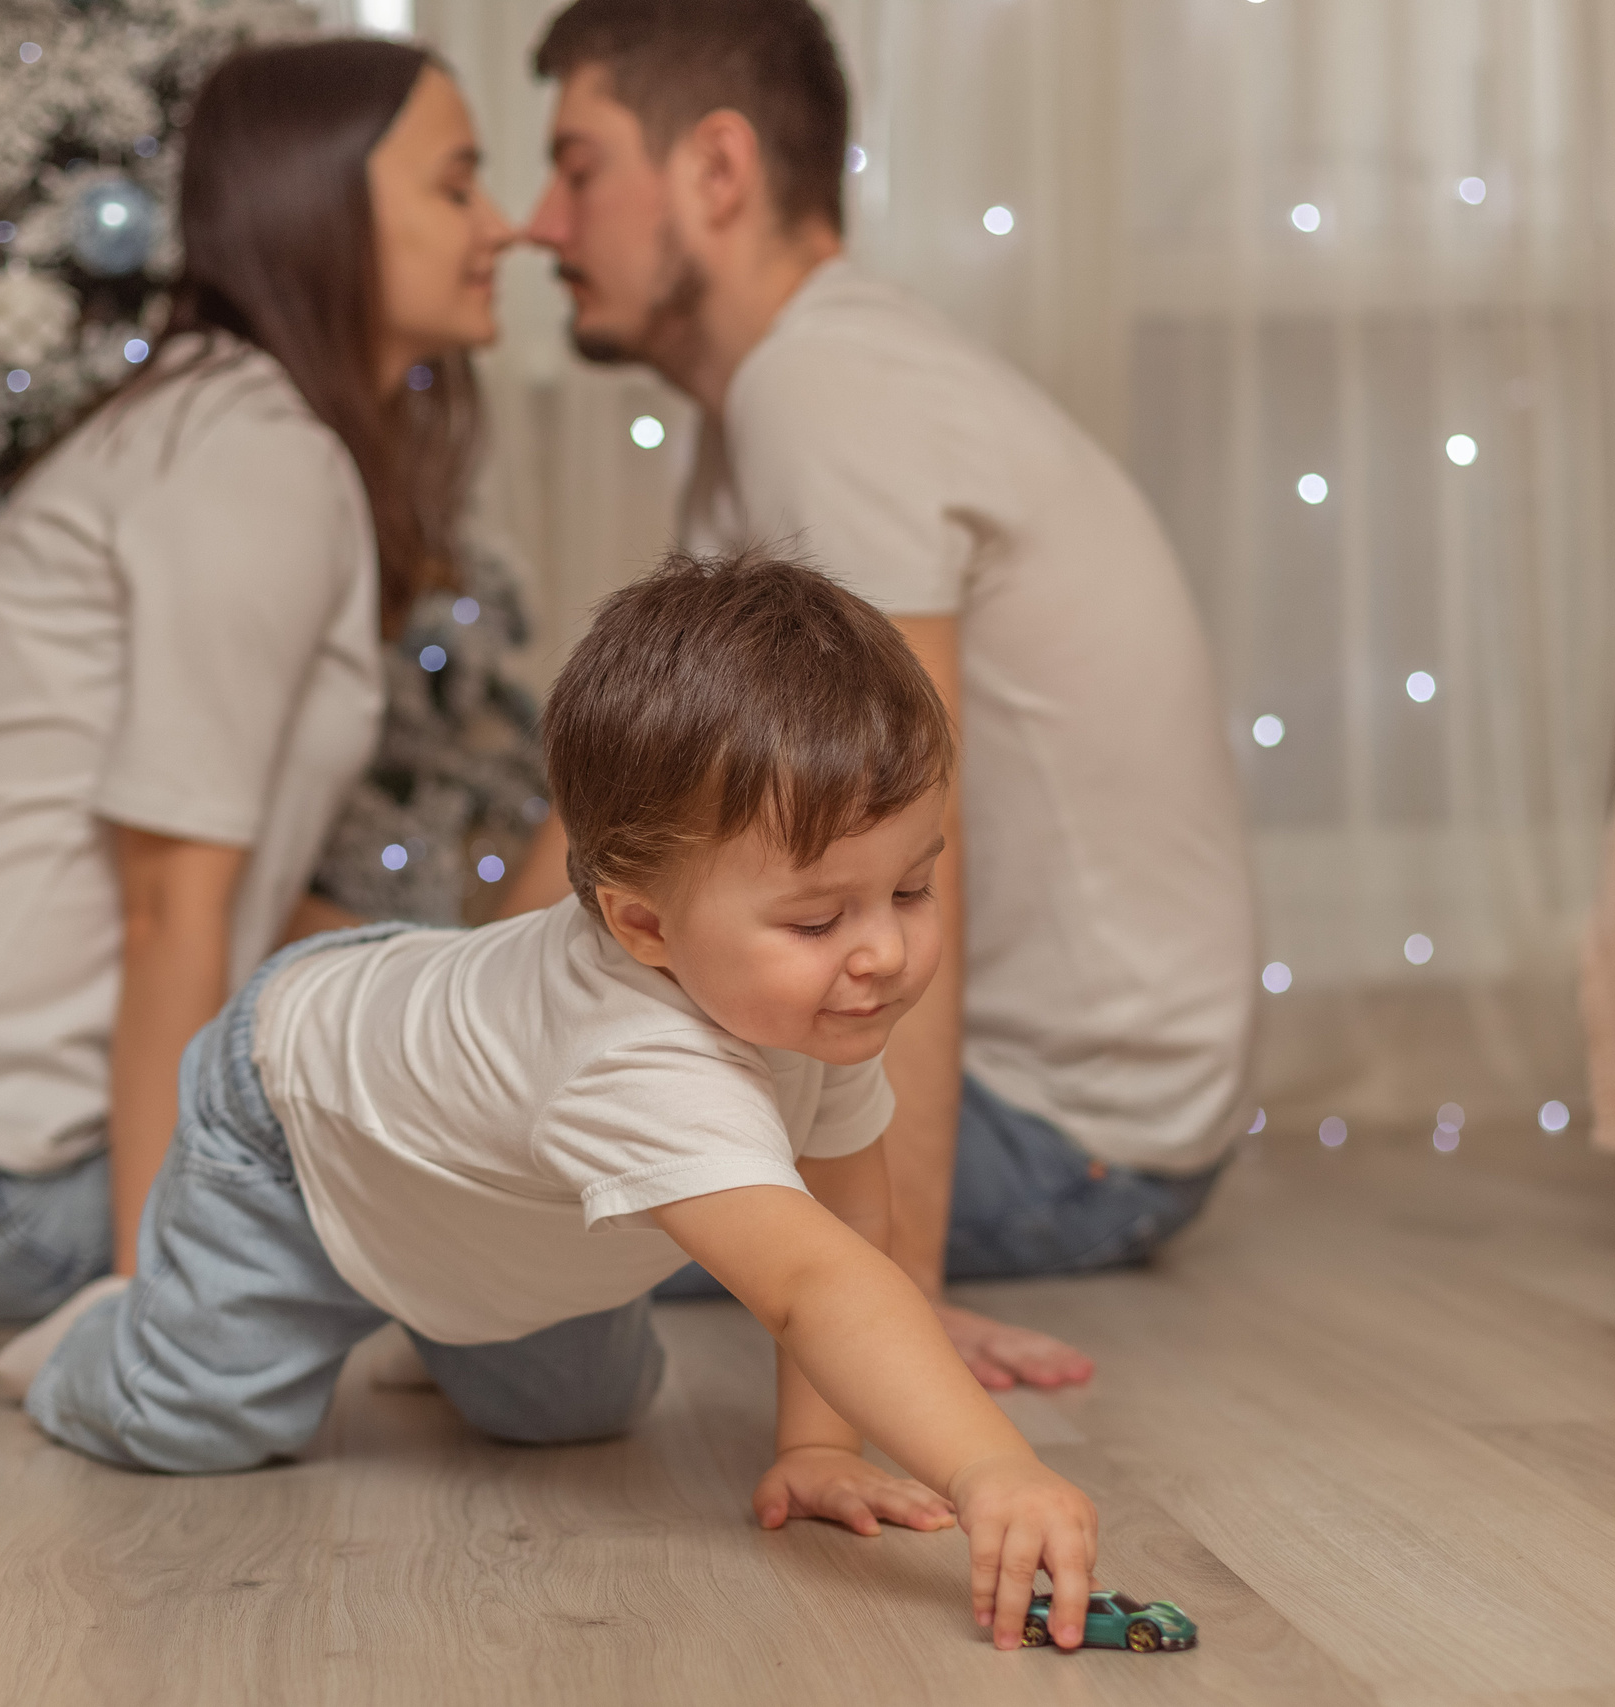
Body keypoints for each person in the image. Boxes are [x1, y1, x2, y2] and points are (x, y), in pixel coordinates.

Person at [3, 553, 1105, 1652]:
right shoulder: (630, 1058)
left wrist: (819, 1447)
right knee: (199, 1423)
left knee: (576, 1418)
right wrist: (987, 1462)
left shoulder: (815, 1001)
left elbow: (845, 1222)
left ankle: (418, 1311)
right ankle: (99, 1339)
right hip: (299, 1122)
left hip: (474, 1190)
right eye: (818, 920)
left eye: (912, 888)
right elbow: (812, 1287)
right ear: (644, 928)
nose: (881, 951)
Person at [520, 0, 1259, 1389]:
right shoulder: (786, 392)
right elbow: (627, 822)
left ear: (717, 171)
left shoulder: (827, 391)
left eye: (577, 165)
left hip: (1062, 1134)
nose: (541, 225)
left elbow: (902, 850)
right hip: (1057, 1108)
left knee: (483, 1182)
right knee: (470, 1104)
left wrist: (890, 1294)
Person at [0, 39, 517, 1321]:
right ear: (321, 207)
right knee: (490, 1230)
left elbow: (227, 898)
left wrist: (448, 989)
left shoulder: (238, 427)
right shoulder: (251, 456)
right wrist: (158, 1311)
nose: (503, 226)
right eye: (457, 187)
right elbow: (173, 908)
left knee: (495, 1184)